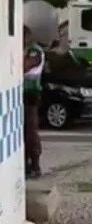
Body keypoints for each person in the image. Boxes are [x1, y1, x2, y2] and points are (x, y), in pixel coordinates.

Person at [23, 25, 45, 178]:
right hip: (21, 93)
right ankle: (25, 164)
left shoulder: (34, 51)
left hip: (31, 93)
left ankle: (35, 164)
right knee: (22, 131)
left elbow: (25, 66)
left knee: (31, 130)